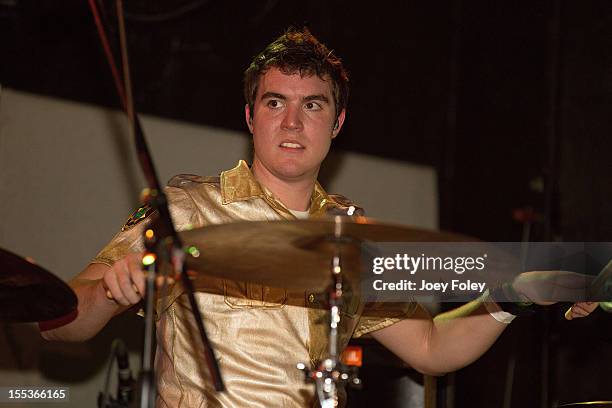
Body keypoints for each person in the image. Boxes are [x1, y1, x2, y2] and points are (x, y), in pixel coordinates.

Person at [41, 27, 598, 407]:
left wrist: (514, 297)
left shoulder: (351, 238)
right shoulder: (184, 208)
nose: (291, 122)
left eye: (313, 105)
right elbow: (61, 321)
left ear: (336, 124)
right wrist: (110, 293)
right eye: (274, 102)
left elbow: (431, 348)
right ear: (249, 115)